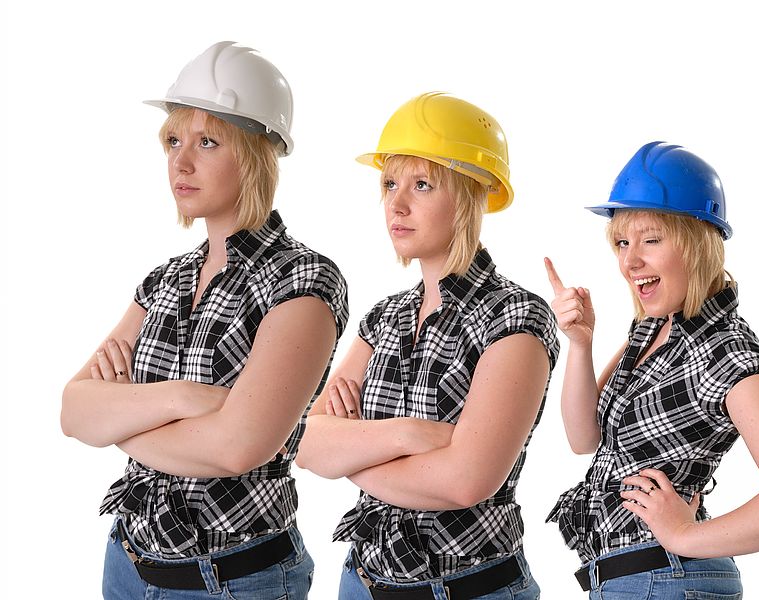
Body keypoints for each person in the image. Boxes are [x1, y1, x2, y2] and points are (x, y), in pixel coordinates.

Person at [60, 41, 348, 599]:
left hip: (234, 577)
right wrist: (179, 400)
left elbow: (236, 448)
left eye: (207, 142)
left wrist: (120, 420)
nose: (180, 161)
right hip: (126, 561)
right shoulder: (165, 279)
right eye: (173, 140)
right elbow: (74, 411)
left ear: (257, 154)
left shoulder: (303, 281)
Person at [295, 92, 559, 599]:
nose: (397, 203)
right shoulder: (385, 317)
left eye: (421, 185)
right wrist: (411, 435)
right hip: (361, 583)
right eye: (390, 183)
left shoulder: (517, 319)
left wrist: (352, 453)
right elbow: (305, 446)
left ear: (470, 195)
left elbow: (465, 482)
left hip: (467, 588)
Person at [544, 141, 759, 599]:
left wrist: (684, 534)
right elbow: (585, 440)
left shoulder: (727, 353)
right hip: (637, 580)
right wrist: (581, 345)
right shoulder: (652, 328)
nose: (629, 260)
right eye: (622, 242)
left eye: (651, 240)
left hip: (665, 578)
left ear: (699, 242)